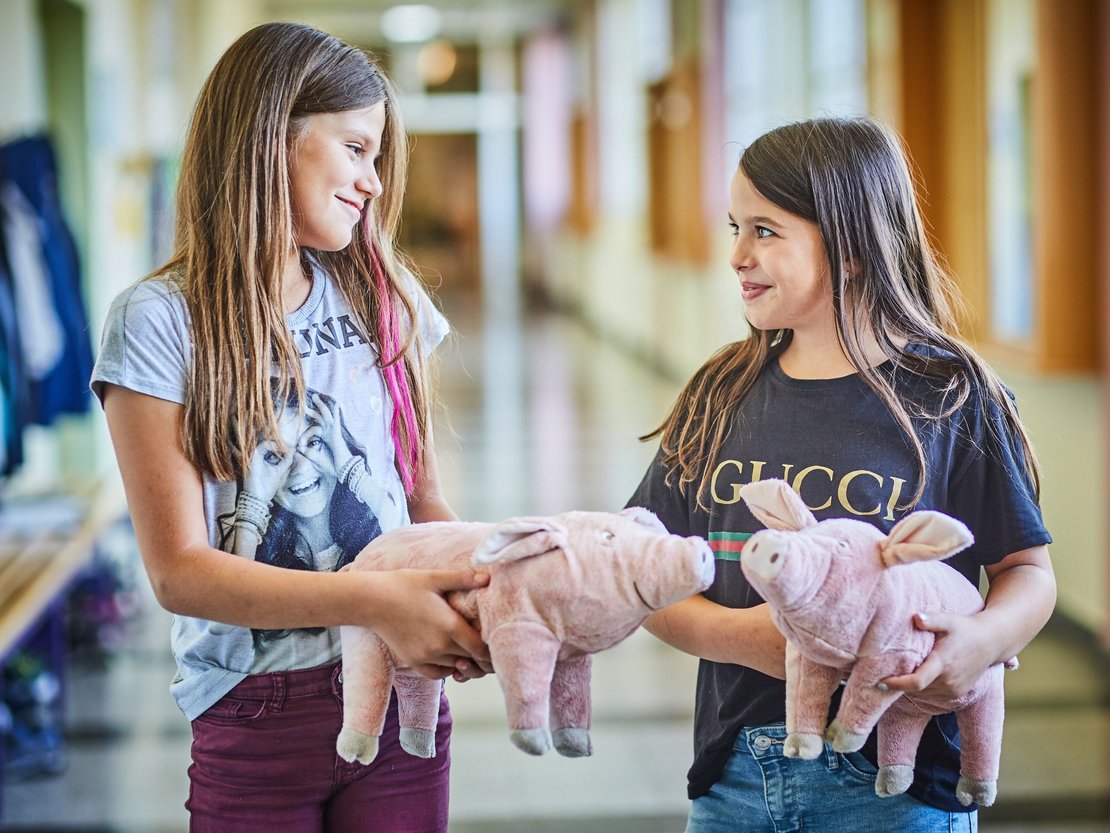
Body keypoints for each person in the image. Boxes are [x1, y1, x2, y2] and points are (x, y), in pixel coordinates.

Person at [91, 21, 490, 833]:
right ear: (274, 139)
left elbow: (426, 505)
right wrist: (381, 600)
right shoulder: (159, 322)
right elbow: (181, 572)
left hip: (399, 701)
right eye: (355, 148)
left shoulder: (387, 297)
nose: (373, 181)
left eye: (377, 156)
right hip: (252, 708)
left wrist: (475, 593)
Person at [627, 116, 1056, 833]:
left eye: (766, 230)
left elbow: (1027, 571)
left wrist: (984, 640)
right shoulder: (719, 392)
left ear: (851, 249)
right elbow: (641, 573)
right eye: (735, 225)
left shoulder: (952, 396)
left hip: (899, 785)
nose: (736, 253)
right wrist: (745, 637)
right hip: (735, 779)